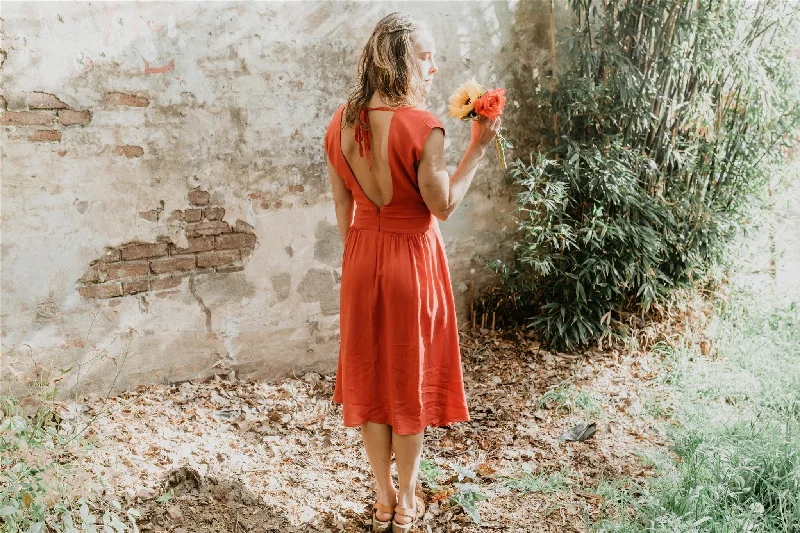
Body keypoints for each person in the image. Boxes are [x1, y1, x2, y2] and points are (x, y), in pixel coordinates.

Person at [323, 12, 500, 532]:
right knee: (407, 386)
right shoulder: (425, 127)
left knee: (372, 384)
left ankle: (380, 500)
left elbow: (341, 206)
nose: (434, 66)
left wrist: (361, 255)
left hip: (361, 258)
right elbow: (441, 206)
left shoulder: (340, 123)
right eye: (425, 56)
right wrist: (478, 149)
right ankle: (405, 502)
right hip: (411, 263)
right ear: (399, 60)